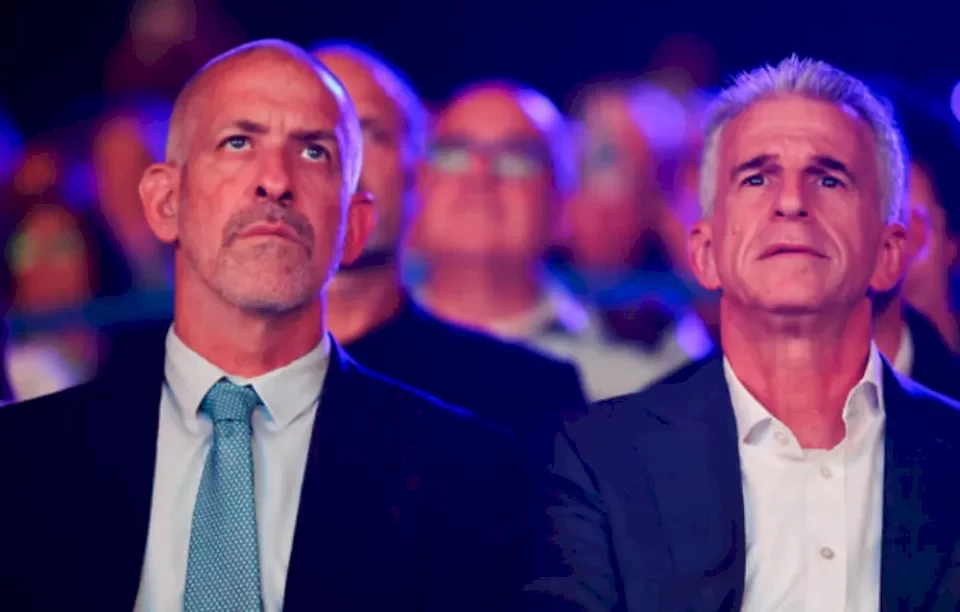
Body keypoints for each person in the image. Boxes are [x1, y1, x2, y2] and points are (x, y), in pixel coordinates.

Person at [0, 40, 524, 612]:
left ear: (353, 226)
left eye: (314, 152)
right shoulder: (24, 459)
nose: (275, 180)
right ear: (165, 201)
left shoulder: (465, 473)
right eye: (238, 142)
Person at [520, 56, 960, 611]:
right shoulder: (596, 463)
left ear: (889, 254)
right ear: (705, 252)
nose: (792, 202)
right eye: (757, 177)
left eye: (829, 178)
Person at [310, 42, 586, 436]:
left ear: (418, 173)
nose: (338, 154)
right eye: (309, 135)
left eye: (369, 132)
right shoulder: (230, 370)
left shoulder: (533, 390)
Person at [411, 82, 707, 400]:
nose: (480, 177)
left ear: (563, 203)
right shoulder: (371, 347)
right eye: (452, 154)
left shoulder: (653, 353)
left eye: (516, 158)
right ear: (415, 187)